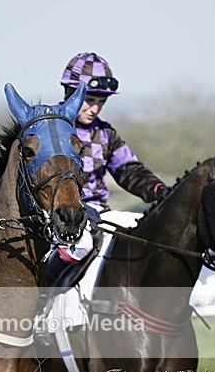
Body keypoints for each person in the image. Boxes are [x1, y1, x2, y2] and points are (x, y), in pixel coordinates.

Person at [47, 51, 170, 281]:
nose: (95, 109)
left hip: (99, 212)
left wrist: (159, 190)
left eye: (101, 102)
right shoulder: (49, 127)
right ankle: (42, 292)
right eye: (89, 100)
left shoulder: (105, 133)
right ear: (70, 94)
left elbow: (129, 170)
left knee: (143, 230)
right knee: (81, 244)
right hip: (58, 215)